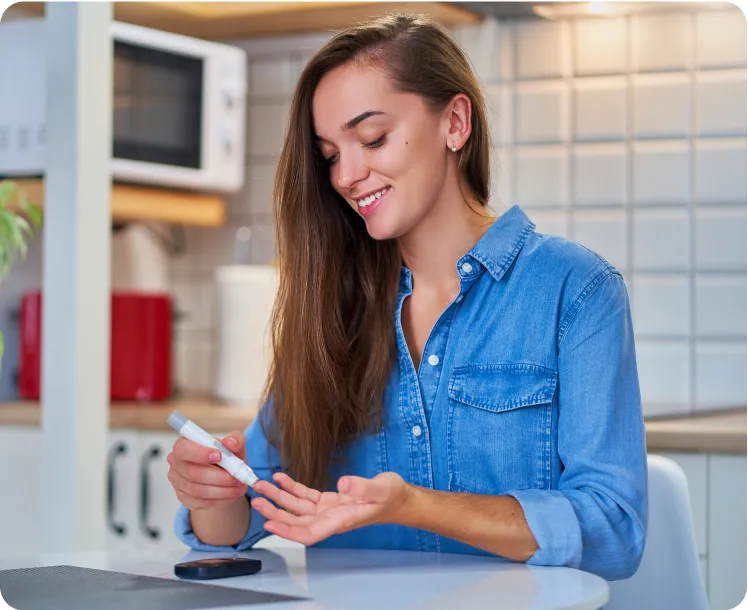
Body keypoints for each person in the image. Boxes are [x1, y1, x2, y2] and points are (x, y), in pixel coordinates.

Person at [167, 12, 647, 581]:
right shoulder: (332, 309)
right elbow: (250, 514)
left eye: (372, 138)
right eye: (330, 155)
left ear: (455, 123)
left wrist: (417, 506)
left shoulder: (576, 292)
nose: (346, 174)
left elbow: (613, 531)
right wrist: (211, 492)